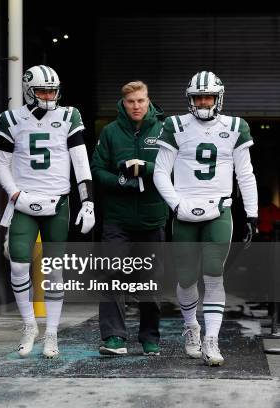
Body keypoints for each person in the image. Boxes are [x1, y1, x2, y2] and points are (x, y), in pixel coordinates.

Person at [153, 71, 258, 366]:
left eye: (208, 96)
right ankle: (191, 327)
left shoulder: (236, 127)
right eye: (198, 97)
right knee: (186, 277)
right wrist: (176, 205)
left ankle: (212, 339)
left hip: (218, 210)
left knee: (213, 273)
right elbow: (160, 171)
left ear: (218, 98)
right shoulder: (175, 125)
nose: (202, 102)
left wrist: (252, 212)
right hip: (184, 209)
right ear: (189, 98)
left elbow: (245, 174)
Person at [0, 65, 95, 358]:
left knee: (54, 270)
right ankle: (29, 326)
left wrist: (87, 201)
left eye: (53, 91)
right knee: (17, 264)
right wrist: (14, 193)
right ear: (28, 91)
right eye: (43, 91)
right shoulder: (11, 118)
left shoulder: (68, 116)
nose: (50, 96)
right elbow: (1, 163)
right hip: (24, 202)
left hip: (58, 201)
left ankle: (51, 332)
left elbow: (80, 161)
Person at [91, 81, 168, 356]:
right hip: (117, 220)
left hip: (152, 218)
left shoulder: (164, 129)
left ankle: (150, 338)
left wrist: (147, 169)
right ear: (123, 104)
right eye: (131, 102)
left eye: (141, 101)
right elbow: (97, 169)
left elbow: (176, 168)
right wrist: (122, 181)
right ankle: (114, 338)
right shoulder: (111, 132)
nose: (136, 106)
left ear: (149, 101)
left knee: (150, 281)